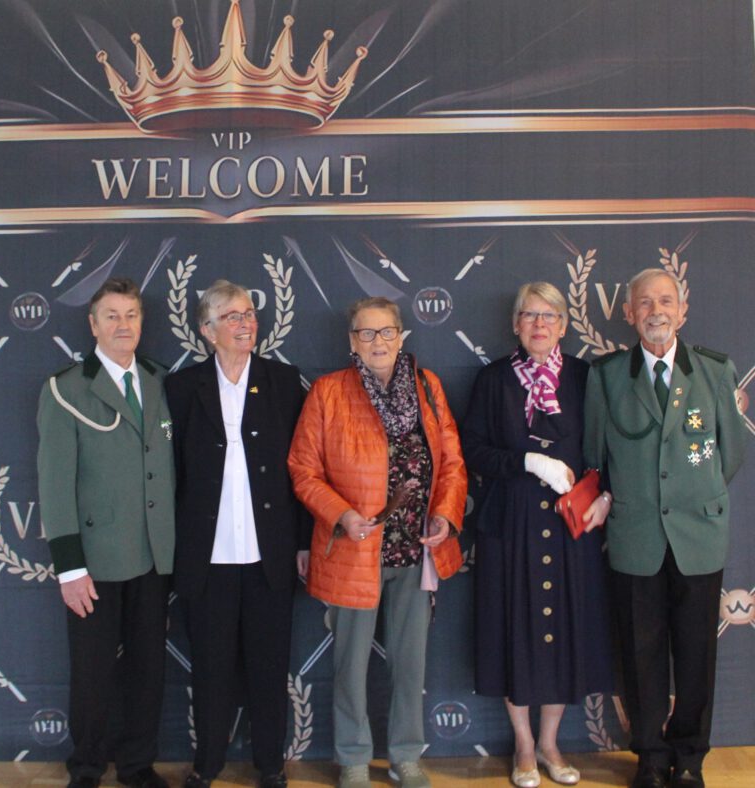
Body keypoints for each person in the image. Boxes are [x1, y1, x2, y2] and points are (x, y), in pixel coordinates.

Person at [287, 296, 467, 788]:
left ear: (401, 336)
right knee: (350, 666)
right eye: (366, 333)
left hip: (416, 548)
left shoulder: (428, 386)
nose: (378, 342)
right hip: (354, 551)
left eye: (387, 331)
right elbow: (303, 470)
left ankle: (407, 755)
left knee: (410, 664)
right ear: (352, 341)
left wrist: (446, 515)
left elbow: (452, 462)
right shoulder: (328, 392)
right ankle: (352, 758)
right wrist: (341, 514)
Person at [583, 268, 746, 788]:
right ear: (628, 313)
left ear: (683, 310)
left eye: (666, 301)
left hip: (698, 537)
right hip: (635, 537)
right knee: (641, 654)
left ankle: (691, 758)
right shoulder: (608, 376)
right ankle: (651, 758)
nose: (656, 311)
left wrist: (690, 498)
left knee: (697, 655)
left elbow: (730, 452)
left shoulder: (715, 372)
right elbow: (595, 455)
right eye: (645, 303)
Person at [461, 282, 613, 788]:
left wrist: (605, 495)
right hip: (511, 523)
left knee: (563, 631)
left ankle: (550, 743)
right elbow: (473, 451)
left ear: (564, 325)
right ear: (515, 324)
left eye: (549, 316)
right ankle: (524, 745)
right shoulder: (492, 380)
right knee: (516, 629)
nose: (539, 324)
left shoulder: (586, 378)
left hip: (572, 526)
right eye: (529, 315)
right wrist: (526, 461)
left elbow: (607, 448)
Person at [164, 280, 311, 788]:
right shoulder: (181, 388)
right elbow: (168, 472)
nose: (246, 323)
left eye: (249, 314)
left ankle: (271, 766)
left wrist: (303, 542)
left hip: (269, 555)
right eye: (232, 316)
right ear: (207, 330)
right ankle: (206, 765)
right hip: (206, 559)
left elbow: (304, 468)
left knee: (269, 668)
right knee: (210, 670)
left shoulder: (284, 382)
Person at [37, 277, 175, 788]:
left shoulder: (159, 381)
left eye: (131, 315)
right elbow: (54, 486)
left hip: (154, 555)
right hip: (94, 561)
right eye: (112, 316)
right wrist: (69, 568)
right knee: (93, 673)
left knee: (148, 671)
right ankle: (87, 767)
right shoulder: (65, 388)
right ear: (93, 325)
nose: (123, 324)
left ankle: (137, 766)